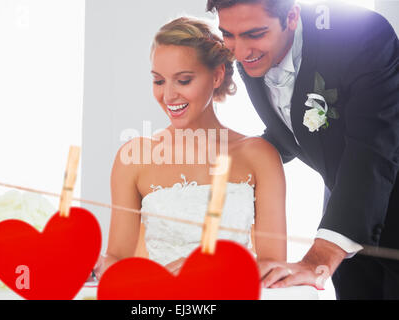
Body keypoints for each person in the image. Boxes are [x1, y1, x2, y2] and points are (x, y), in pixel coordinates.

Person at [207, 0, 399, 299]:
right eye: (228, 35)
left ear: (292, 16)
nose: (240, 52)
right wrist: (236, 161)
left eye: (255, 34)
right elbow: (292, 127)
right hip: (345, 217)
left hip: (372, 202)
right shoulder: (249, 52)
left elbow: (373, 147)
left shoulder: (362, 34)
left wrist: (319, 256)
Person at [94, 17, 287, 279]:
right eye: (159, 81)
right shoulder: (134, 158)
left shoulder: (259, 155)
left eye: (183, 80)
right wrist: (95, 265)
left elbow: (273, 266)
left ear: (217, 75)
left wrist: (204, 268)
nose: (169, 96)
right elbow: (118, 261)